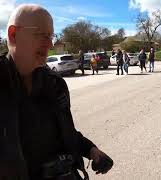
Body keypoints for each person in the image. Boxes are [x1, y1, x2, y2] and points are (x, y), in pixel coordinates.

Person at [0, 4, 113, 180]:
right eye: (40, 35)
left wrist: (91, 150)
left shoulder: (55, 84)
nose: (49, 44)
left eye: (50, 36)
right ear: (14, 35)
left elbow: (66, 133)